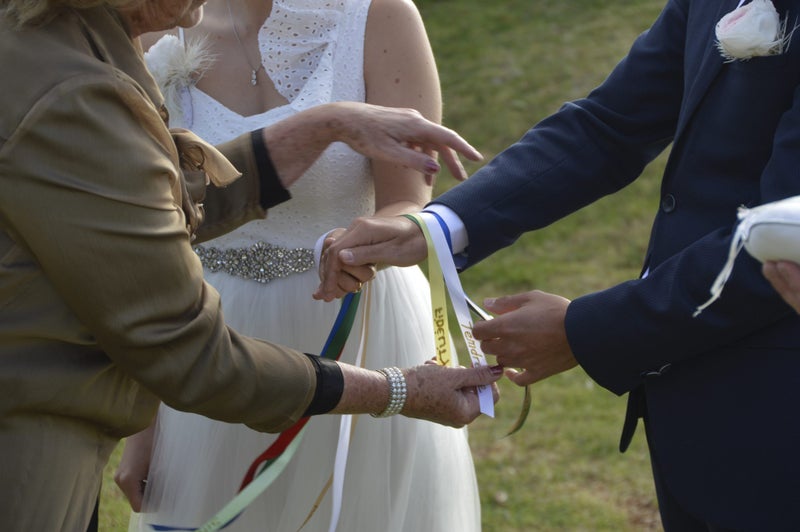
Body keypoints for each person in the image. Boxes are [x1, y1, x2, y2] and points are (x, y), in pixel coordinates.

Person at [0, 1, 502, 530]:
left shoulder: (60, 37)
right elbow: (168, 318)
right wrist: (398, 390)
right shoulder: (90, 74)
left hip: (347, 327)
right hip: (207, 347)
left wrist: (328, 138)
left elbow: (140, 208)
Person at [316, 0, 800, 529]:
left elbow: (785, 233)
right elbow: (609, 126)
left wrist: (583, 331)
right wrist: (435, 226)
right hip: (689, 414)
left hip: (776, 407)